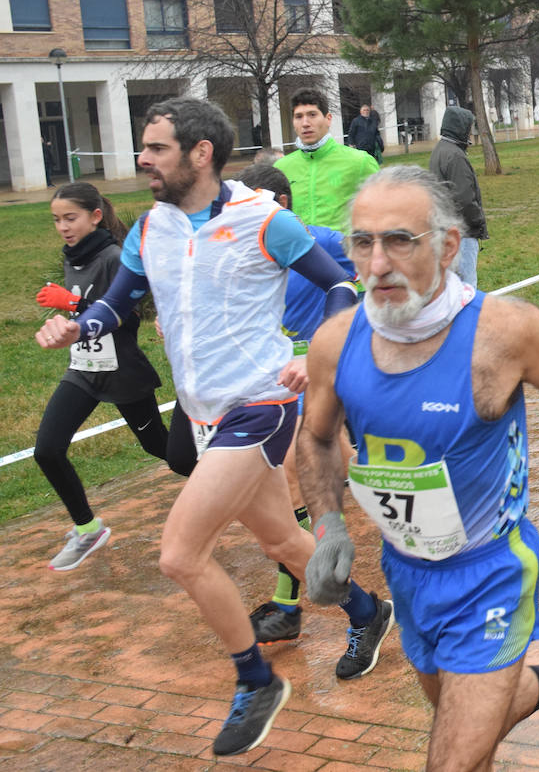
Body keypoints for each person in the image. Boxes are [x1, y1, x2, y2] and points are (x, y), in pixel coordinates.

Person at [35, 98, 392, 757]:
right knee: (281, 533)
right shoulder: (149, 228)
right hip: (199, 412)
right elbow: (117, 305)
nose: (143, 158)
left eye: (158, 147)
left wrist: (309, 354)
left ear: (201, 152)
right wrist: (76, 326)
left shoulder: (263, 219)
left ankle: (256, 678)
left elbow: (342, 284)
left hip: (258, 404)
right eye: (144, 146)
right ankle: (368, 611)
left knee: (180, 553)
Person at [292, 165, 539, 771]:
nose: (376, 263)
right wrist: (327, 529)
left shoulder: (502, 332)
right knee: (468, 718)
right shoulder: (335, 342)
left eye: (399, 240)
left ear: (447, 246)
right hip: (409, 574)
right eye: (362, 242)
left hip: (492, 571)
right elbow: (313, 441)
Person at [234, 163, 359, 645]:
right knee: (321, 476)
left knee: (293, 478)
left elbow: (356, 289)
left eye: (258, 199)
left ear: (281, 204)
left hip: (318, 367)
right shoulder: (243, 249)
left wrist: (327, 348)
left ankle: (292, 603)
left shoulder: (323, 242)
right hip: (272, 377)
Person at [34, 183, 169, 571]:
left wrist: (74, 304)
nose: (63, 227)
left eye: (70, 218)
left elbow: (125, 320)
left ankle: (233, 486)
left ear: (95, 216)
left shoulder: (113, 257)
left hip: (123, 372)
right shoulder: (72, 259)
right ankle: (88, 528)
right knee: (47, 449)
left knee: (163, 449)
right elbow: (82, 320)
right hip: (84, 369)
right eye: (57, 220)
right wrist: (65, 322)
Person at [276, 88, 380, 232]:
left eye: (312, 115)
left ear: (328, 118)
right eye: (298, 116)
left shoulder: (360, 162)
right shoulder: (281, 168)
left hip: (344, 252)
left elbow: (381, 214)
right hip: (299, 252)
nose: (305, 123)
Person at [429, 104, 488, 289]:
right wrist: (478, 222)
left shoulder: (440, 150)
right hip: (462, 233)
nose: (470, 132)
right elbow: (464, 199)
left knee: (452, 286)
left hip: (446, 230)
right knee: (466, 287)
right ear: (460, 128)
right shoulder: (455, 156)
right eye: (468, 128)